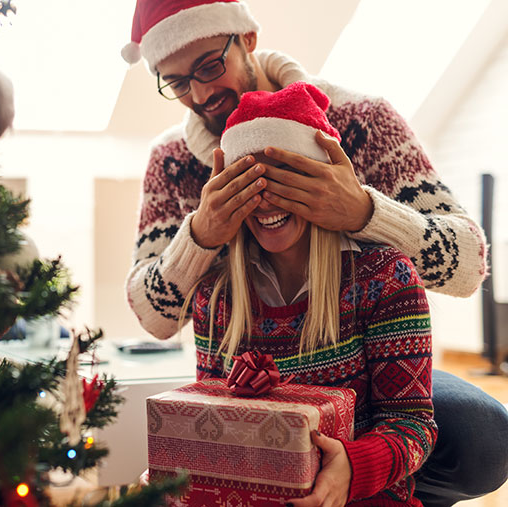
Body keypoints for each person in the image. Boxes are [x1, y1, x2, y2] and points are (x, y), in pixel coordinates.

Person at [121, 1, 508, 505]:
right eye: (174, 82)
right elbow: (154, 318)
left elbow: (470, 261)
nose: (198, 94)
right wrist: (201, 234)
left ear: (248, 40)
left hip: (361, 352)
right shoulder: (171, 162)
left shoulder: (363, 119)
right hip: (250, 357)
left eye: (210, 66)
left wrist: (365, 213)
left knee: (481, 435)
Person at [187, 80, 436, 506]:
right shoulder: (216, 295)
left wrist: (353, 468)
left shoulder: (384, 278)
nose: (265, 202)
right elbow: (217, 422)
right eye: (249, 183)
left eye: (285, 179)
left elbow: (413, 425)